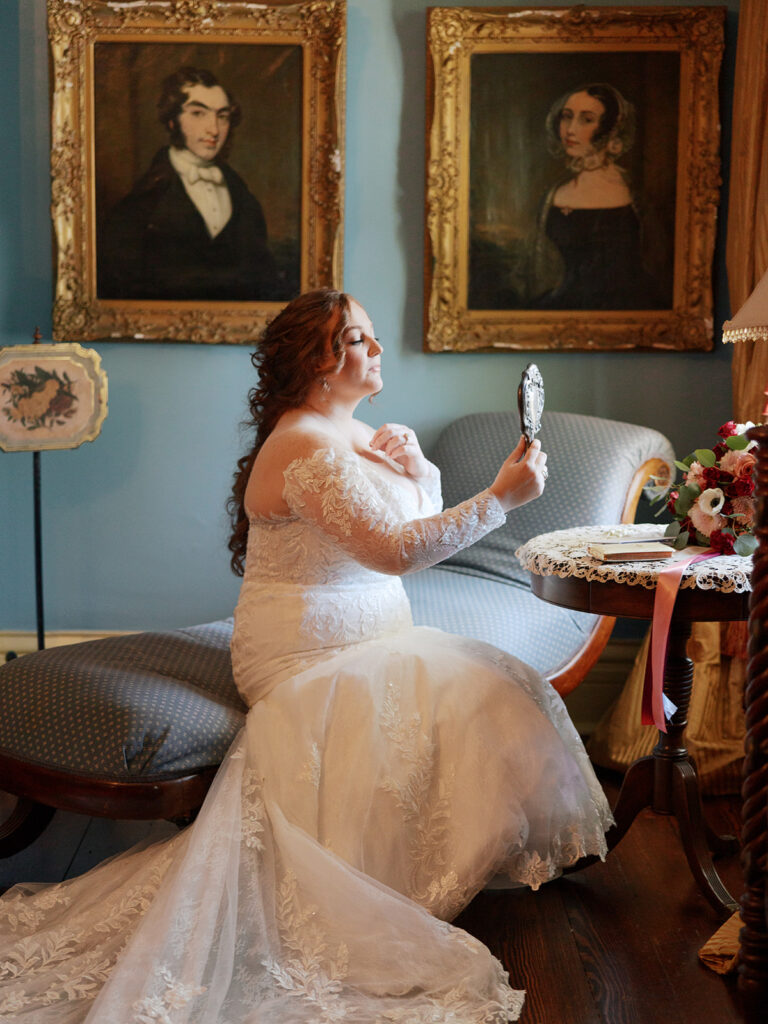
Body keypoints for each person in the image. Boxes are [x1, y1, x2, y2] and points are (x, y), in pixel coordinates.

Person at [0, 289, 613, 1022]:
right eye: (357, 339)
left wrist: (418, 471)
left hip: (371, 635)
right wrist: (503, 500)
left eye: (371, 336)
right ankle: (393, 887)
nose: (376, 351)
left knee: (491, 682)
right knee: (468, 686)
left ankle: (431, 873)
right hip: (305, 655)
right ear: (316, 363)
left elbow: (409, 522)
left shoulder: (352, 433)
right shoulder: (302, 445)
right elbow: (394, 552)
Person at [98, 66, 279, 301]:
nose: (213, 129)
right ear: (172, 120)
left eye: (222, 116)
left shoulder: (244, 199)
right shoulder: (140, 204)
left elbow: (262, 278)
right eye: (198, 113)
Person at [531, 82, 663, 310]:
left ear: (610, 129)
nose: (570, 129)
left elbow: (656, 258)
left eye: (586, 119)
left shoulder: (634, 193)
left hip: (628, 307)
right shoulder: (554, 194)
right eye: (566, 116)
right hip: (564, 306)